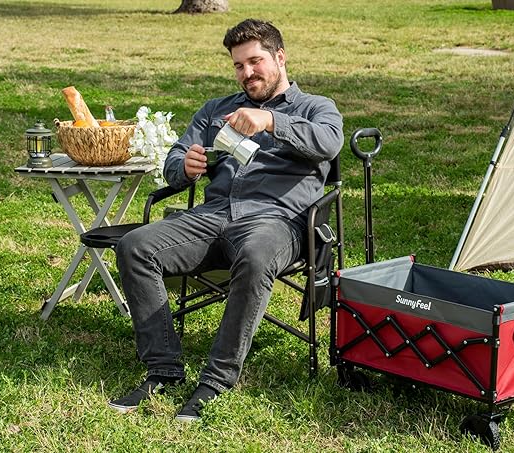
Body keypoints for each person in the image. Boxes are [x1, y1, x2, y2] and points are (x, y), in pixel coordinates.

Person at [111, 18, 344, 421]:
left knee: (256, 255)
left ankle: (216, 380)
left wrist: (271, 121)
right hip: (214, 216)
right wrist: (184, 166)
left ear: (280, 57)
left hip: (277, 221)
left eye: (255, 62)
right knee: (135, 246)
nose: (247, 73)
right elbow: (174, 158)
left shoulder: (315, 107)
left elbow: (329, 141)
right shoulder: (216, 109)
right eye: (238, 65)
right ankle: (163, 369)